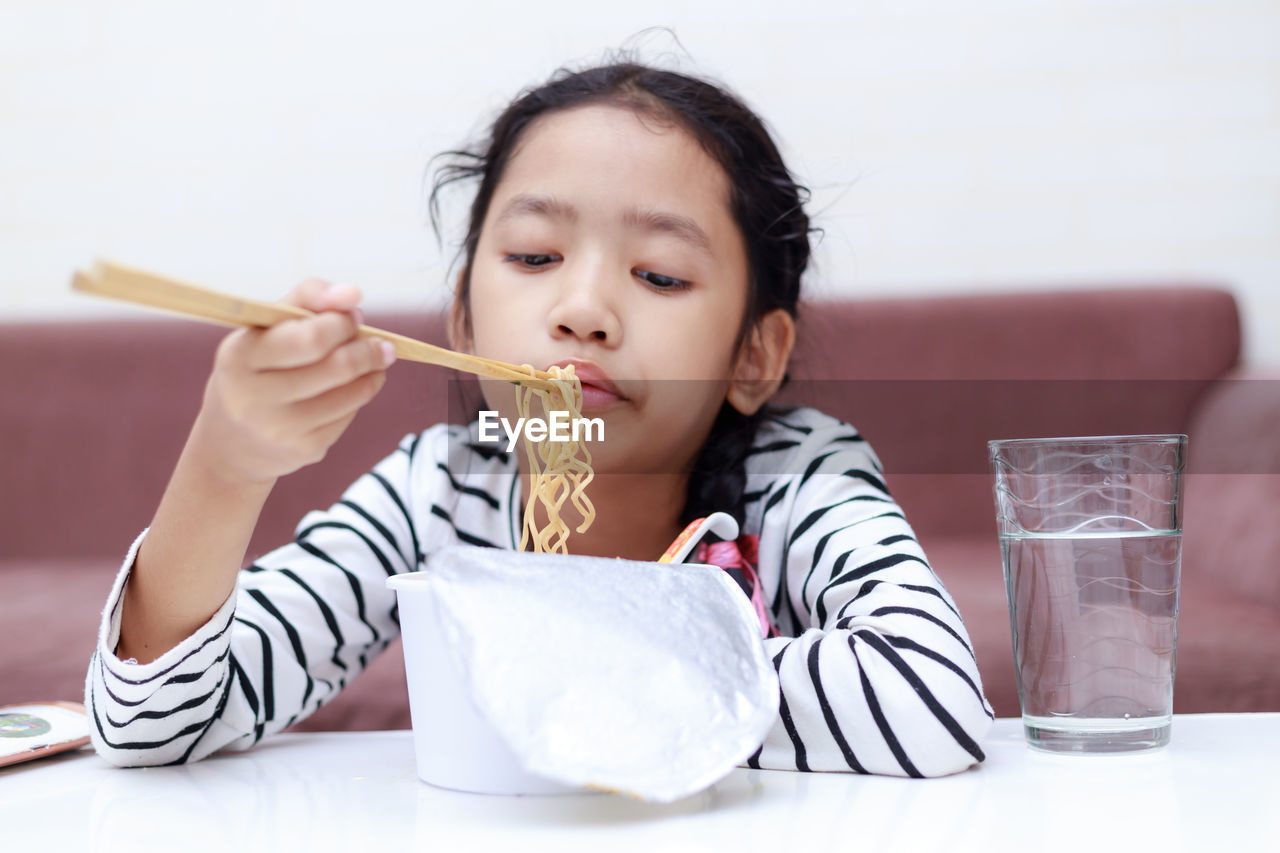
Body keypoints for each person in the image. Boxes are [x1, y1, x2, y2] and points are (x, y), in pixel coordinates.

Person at [86, 59, 993, 777]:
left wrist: (557, 669)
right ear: (465, 322)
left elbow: (929, 695)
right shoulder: (445, 487)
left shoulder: (797, 475)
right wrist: (228, 463)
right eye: (533, 255)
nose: (584, 309)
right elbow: (153, 724)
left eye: (661, 275)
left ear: (753, 356)